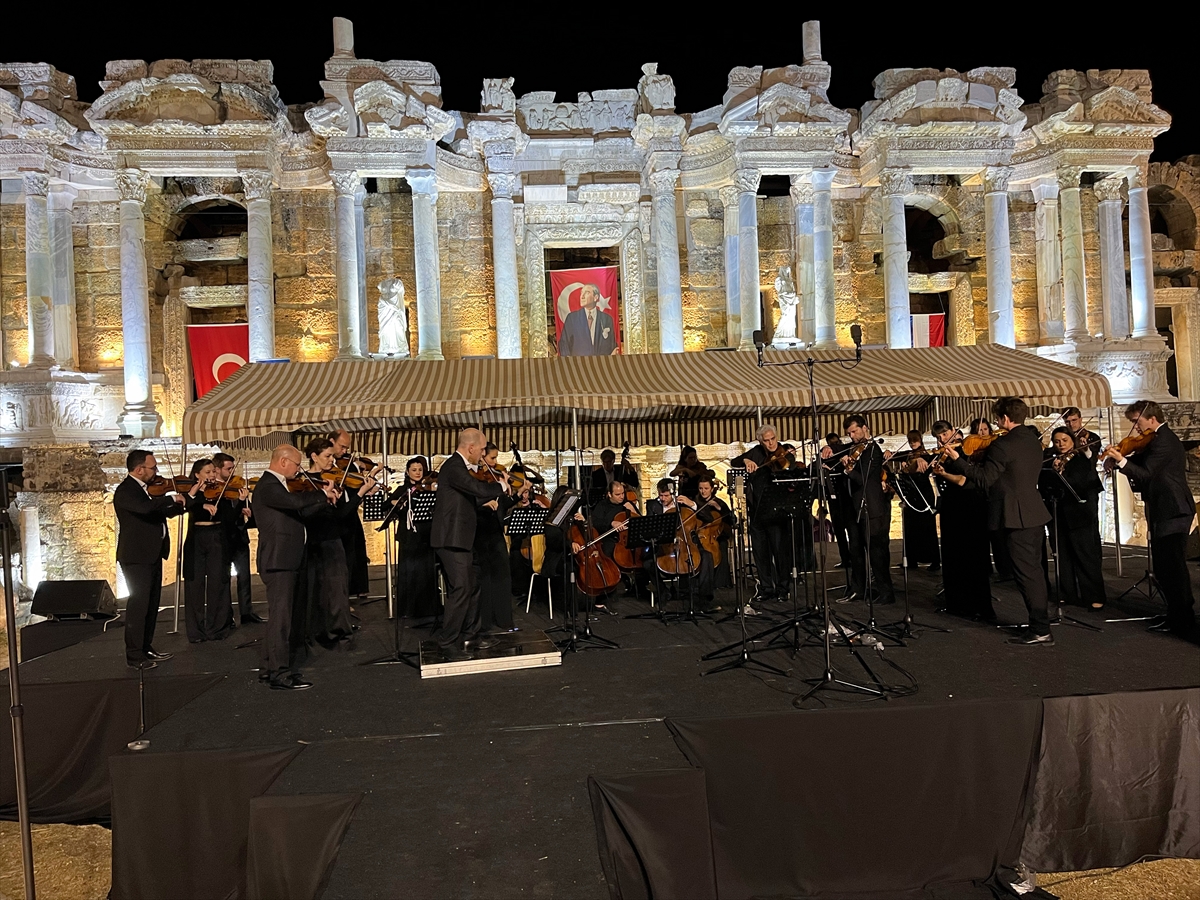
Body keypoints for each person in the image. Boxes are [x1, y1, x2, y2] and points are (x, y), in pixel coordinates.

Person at [944, 398, 1052, 645]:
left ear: (1005, 418)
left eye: (996, 419)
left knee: (1027, 575)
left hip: (1015, 516)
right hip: (1033, 512)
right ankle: (1040, 624)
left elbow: (984, 479)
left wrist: (958, 460)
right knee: (1034, 571)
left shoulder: (1003, 445)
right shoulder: (1032, 441)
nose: (994, 423)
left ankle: (1040, 628)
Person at [1103, 400, 1197, 637]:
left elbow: (1146, 474)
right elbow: (1141, 461)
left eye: (1137, 421)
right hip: (1162, 508)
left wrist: (1121, 460)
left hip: (1173, 509)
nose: (1135, 428)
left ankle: (1184, 619)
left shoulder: (1164, 440)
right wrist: (1118, 459)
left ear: (1151, 419)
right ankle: (1174, 615)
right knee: (1164, 568)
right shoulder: (1153, 440)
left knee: (1173, 567)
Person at [252, 444, 338, 690]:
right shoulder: (269, 485)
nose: (299, 470)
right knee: (281, 620)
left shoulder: (277, 486)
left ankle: (271, 668)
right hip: (278, 561)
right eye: (297, 464)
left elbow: (299, 513)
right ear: (282, 462)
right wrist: (321, 494)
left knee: (283, 617)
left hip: (288, 559)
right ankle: (279, 673)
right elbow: (293, 502)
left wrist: (325, 500)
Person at [431, 428, 508, 661]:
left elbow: (470, 497)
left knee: (473, 586)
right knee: (462, 588)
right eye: (483, 449)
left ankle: (470, 635)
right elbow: (475, 488)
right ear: (471, 447)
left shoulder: (462, 468)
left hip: (463, 539)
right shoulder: (454, 467)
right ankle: (447, 642)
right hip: (451, 540)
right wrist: (501, 486)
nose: (483, 453)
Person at [299, 438, 379, 655]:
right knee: (315, 592)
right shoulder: (302, 482)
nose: (332, 460)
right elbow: (304, 513)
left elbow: (342, 515)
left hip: (333, 541)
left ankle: (338, 633)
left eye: (333, 456)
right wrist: (322, 499)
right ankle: (317, 633)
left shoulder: (334, 480)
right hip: (312, 542)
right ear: (314, 457)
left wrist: (359, 494)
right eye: (328, 456)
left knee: (337, 591)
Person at [114, 449, 188, 669]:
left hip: (152, 554)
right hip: (136, 556)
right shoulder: (126, 491)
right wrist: (168, 497)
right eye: (153, 467)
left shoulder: (146, 491)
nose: (156, 472)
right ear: (139, 469)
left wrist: (183, 502)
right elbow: (145, 509)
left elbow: (160, 513)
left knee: (152, 603)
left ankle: (146, 646)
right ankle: (135, 656)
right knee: (139, 605)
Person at [824, 415, 895, 605]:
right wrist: (828, 448)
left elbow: (864, 479)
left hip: (870, 507)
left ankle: (886, 592)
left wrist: (849, 470)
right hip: (853, 509)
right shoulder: (853, 448)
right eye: (848, 433)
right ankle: (858, 588)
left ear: (865, 428)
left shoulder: (873, 450)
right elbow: (838, 450)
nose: (852, 436)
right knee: (855, 550)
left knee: (876, 552)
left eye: (854, 432)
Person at [930, 421, 994, 620]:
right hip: (951, 508)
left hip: (971, 508)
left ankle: (979, 607)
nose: (942, 439)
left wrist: (943, 473)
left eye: (944, 434)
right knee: (953, 557)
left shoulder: (968, 450)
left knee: (973, 558)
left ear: (954, 431)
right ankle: (957, 603)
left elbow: (965, 481)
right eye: (938, 437)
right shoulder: (946, 452)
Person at [732, 424, 796, 603]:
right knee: (760, 552)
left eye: (772, 439)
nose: (770, 444)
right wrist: (746, 461)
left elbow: (791, 471)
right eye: (766, 441)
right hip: (757, 510)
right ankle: (766, 588)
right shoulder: (755, 452)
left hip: (777, 511)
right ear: (760, 441)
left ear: (776, 437)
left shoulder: (785, 454)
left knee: (779, 551)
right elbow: (735, 461)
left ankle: (783, 588)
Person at [1043, 427, 1105, 610]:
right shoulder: (1050, 460)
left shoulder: (1081, 459)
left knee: (1085, 555)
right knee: (1062, 555)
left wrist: (1061, 474)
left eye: (1064, 440)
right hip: (1059, 512)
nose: (1061, 444)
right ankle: (1067, 593)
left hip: (1079, 513)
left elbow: (1081, 482)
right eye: (1057, 441)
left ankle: (1094, 595)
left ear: (1072, 441)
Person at [182, 458, 235, 643]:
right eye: (208, 472)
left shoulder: (222, 491)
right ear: (197, 475)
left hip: (216, 536)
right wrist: (199, 500)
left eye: (213, 471)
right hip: (197, 537)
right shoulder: (192, 492)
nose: (212, 475)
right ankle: (196, 631)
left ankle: (217, 628)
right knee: (194, 584)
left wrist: (239, 502)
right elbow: (184, 505)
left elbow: (229, 517)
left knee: (217, 583)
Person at [646, 478, 716, 613]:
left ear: (673, 494)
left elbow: (709, 518)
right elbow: (650, 528)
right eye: (661, 495)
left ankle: (704, 598)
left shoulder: (684, 503)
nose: (663, 498)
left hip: (687, 542)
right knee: (648, 563)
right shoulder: (653, 506)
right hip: (665, 544)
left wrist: (693, 505)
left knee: (707, 556)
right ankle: (663, 592)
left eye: (666, 496)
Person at [390, 457, 442, 622]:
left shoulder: (428, 488)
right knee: (411, 571)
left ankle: (429, 607)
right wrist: (397, 504)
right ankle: (410, 608)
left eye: (420, 470)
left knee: (427, 570)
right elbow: (386, 505)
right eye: (414, 470)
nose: (418, 473)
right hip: (409, 535)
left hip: (426, 534)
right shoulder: (403, 489)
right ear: (407, 472)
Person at [213, 453, 262, 626]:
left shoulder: (237, 486)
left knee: (245, 577)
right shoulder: (213, 490)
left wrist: (249, 511)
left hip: (240, 536)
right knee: (224, 579)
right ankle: (227, 616)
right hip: (223, 538)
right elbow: (224, 515)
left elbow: (245, 508)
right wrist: (240, 503)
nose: (232, 471)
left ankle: (247, 612)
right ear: (217, 469)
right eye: (228, 468)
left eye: (233, 467)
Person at [475, 443, 517, 633]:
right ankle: (485, 621)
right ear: (482, 456)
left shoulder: (494, 479)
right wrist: (483, 502)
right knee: (484, 577)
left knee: (502, 574)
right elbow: (467, 503)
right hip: (479, 533)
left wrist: (516, 494)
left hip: (495, 531)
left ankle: (503, 619)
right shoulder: (474, 478)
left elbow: (502, 504)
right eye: (492, 458)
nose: (496, 462)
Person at [328, 429, 372, 602]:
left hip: (348, 515)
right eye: (342, 446)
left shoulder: (347, 465)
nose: (344, 451)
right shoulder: (327, 469)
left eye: (347, 448)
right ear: (331, 441)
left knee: (352, 556)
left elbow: (351, 491)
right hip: (334, 522)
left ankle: (349, 595)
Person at [897, 430, 941, 571]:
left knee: (927, 526)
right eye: (910, 441)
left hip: (924, 493)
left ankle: (934, 560)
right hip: (911, 494)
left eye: (915, 440)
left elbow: (923, 469)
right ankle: (911, 559)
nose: (912, 443)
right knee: (910, 527)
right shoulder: (908, 455)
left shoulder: (926, 455)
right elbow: (896, 457)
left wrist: (920, 459)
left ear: (920, 440)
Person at [820, 433, 853, 571]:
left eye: (834, 443)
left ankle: (853, 558)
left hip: (847, 497)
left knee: (851, 530)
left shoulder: (845, 451)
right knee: (839, 530)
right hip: (833, 497)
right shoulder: (826, 457)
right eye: (829, 443)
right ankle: (845, 558)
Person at [559, 283, 619, 356]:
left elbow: (612, 344)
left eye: (587, 293)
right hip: (578, 365)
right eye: (581, 293)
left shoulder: (607, 319)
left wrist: (614, 352)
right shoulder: (572, 318)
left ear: (595, 297)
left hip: (601, 364)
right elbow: (564, 343)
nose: (582, 296)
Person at [696, 474, 733, 591]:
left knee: (722, 545)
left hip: (716, 536)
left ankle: (720, 582)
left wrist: (719, 509)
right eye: (701, 488)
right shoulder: (695, 502)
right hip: (699, 534)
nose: (703, 492)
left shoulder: (719, 503)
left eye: (706, 488)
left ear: (712, 489)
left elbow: (732, 520)